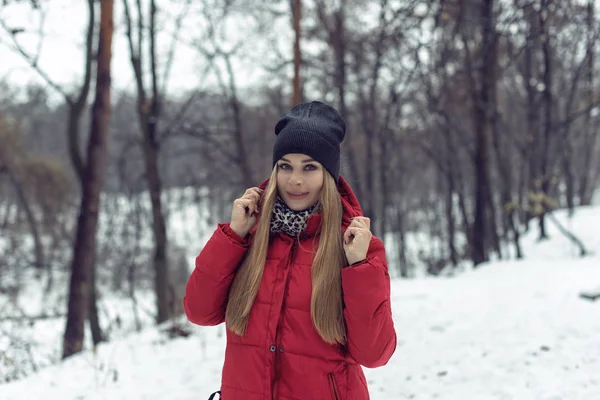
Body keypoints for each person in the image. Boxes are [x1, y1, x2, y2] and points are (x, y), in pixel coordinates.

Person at [184, 101, 396, 400]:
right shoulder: (251, 235)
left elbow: (375, 354)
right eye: (285, 166)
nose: (295, 180)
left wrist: (359, 267)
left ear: (329, 175)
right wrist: (232, 237)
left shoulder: (353, 245)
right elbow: (199, 312)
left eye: (309, 167)